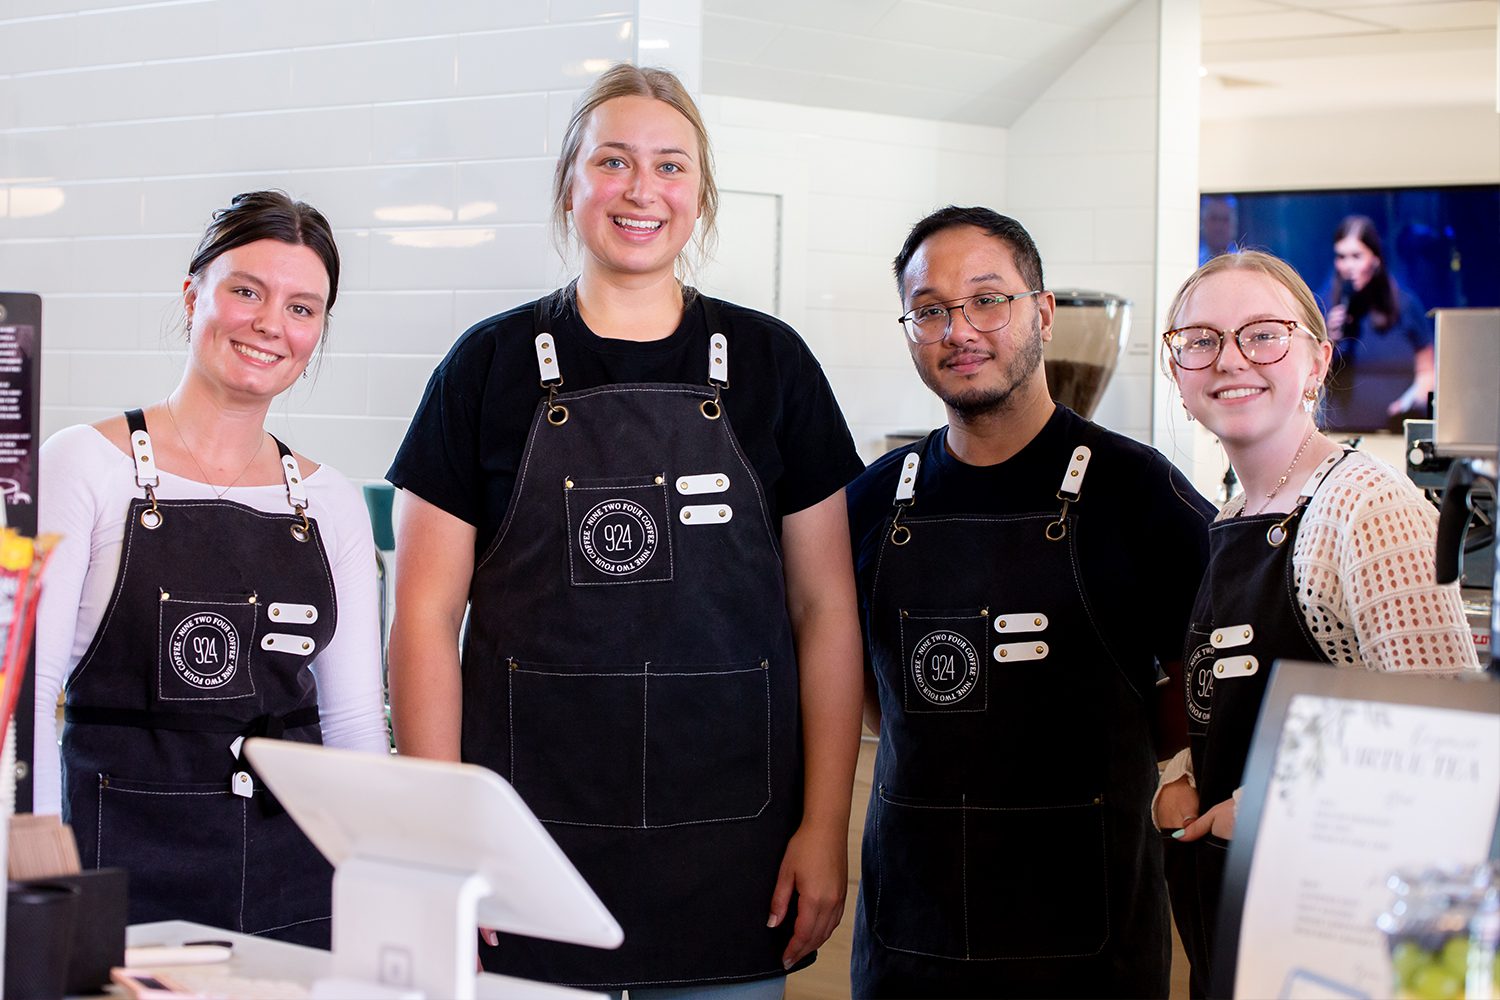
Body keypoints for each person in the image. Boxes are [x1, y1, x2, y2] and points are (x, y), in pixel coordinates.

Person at [385, 64, 864, 997]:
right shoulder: (485, 367)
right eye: (613, 161)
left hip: (734, 856)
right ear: (570, 185)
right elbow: (424, 619)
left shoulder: (774, 365)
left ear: (701, 195)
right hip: (519, 858)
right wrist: (443, 840)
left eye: (671, 166)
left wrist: (822, 827)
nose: (642, 189)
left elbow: (826, 612)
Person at [845, 205, 1216, 999]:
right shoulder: (871, 503)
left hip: (1091, 945)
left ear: (1043, 313)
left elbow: (1208, 668)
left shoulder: (1137, 491)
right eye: (930, 310)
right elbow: (872, 695)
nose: (959, 330)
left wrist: (1133, 744)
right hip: (910, 939)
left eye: (988, 300)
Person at [35, 191, 389, 946]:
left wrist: (390, 888)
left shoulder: (330, 501)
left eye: (301, 308)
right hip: (116, 869)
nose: (270, 324)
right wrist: (38, 868)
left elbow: (354, 724)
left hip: (296, 881)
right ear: (193, 295)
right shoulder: (83, 465)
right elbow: (27, 693)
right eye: (246, 292)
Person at [1154, 250, 1480, 997]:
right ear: (1177, 371)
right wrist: (1185, 773)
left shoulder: (1365, 506)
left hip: (1338, 941)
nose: (1230, 358)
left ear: (1318, 362)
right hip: (1238, 931)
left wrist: (1263, 810)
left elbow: (1444, 752)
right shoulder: (1235, 513)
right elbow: (1235, 701)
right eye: (1201, 340)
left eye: (1263, 334)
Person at [1322, 215, 1434, 431]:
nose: (1348, 266)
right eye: (1341, 257)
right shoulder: (1324, 307)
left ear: (1375, 259)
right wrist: (1328, 340)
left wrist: (1409, 402)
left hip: (1394, 432)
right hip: (1337, 434)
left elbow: (1428, 371)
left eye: (1356, 256)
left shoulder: (1405, 305)